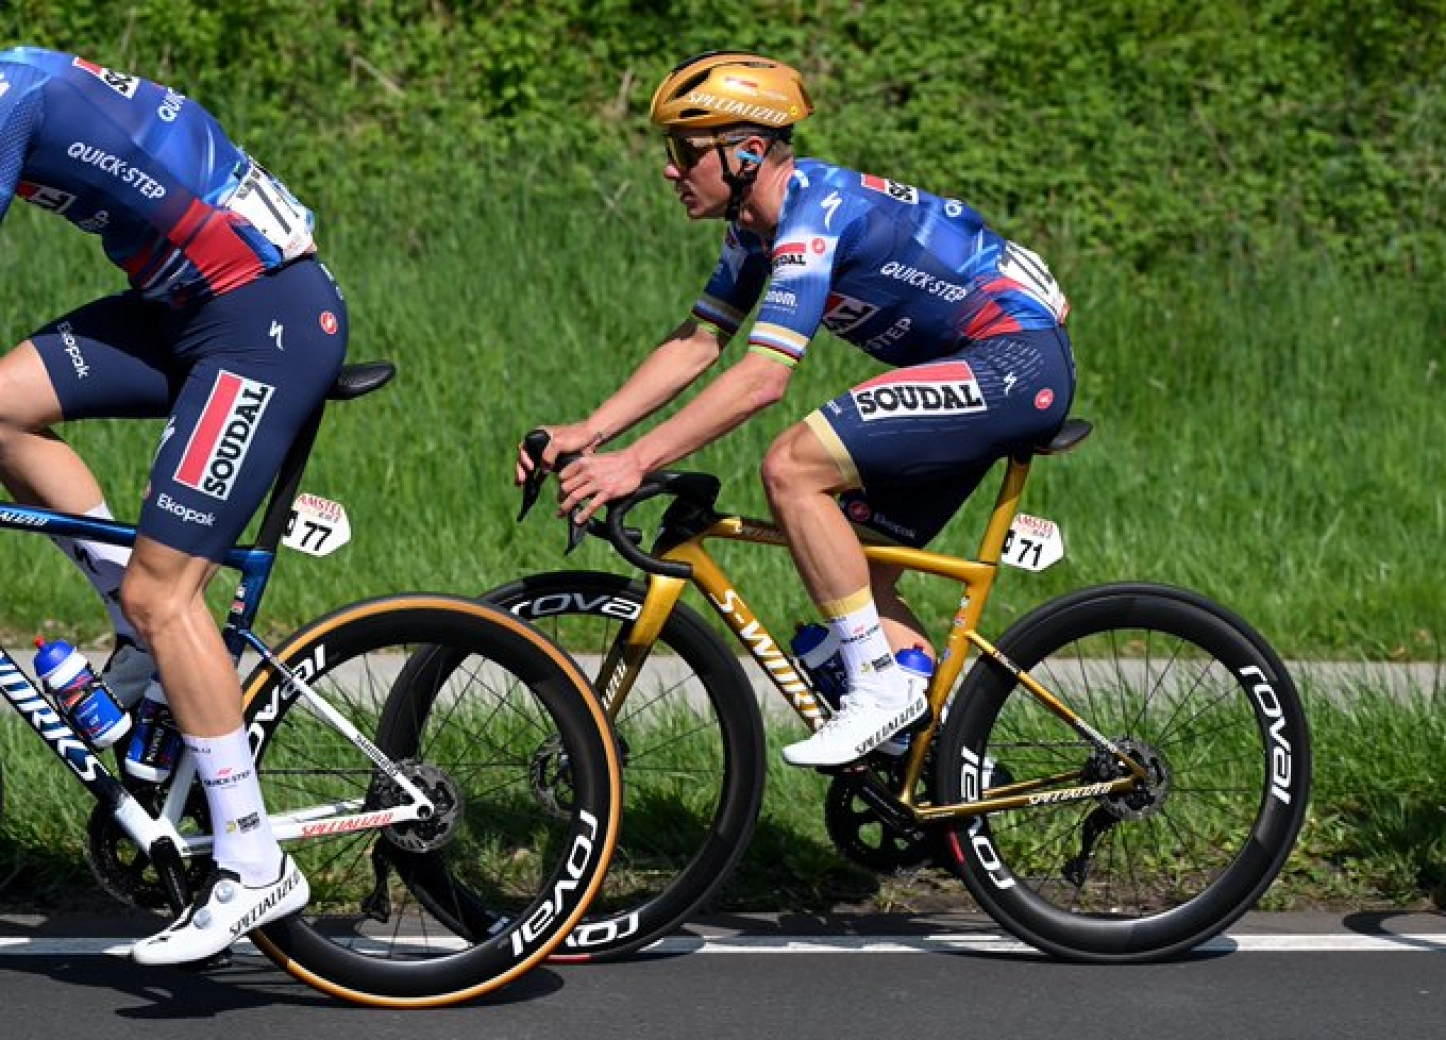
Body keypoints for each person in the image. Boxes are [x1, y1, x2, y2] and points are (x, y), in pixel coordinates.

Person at [517, 51, 1075, 767]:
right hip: (983, 367)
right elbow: (698, 342)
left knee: (791, 466)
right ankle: (936, 776)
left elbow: (763, 379)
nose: (669, 169)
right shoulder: (755, 228)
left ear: (748, 151)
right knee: (854, 580)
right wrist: (588, 432)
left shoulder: (815, 216)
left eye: (686, 151)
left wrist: (633, 462)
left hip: (1015, 361)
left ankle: (880, 689)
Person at [0, 47, 347, 963]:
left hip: (260, 318)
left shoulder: (10, 95)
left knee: (170, 593)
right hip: (180, 307)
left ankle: (253, 856)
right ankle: (134, 629)